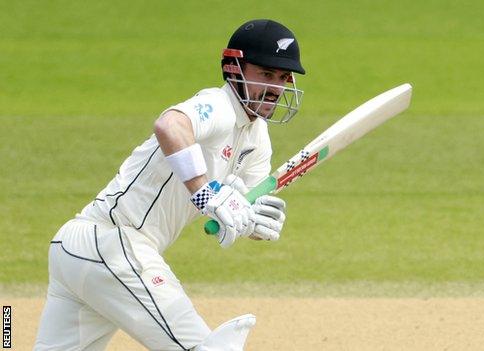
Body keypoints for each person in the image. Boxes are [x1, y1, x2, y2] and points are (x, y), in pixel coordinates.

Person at [34, 18, 305, 351]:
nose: (276, 87)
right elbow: (170, 125)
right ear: (234, 69)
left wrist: (252, 223)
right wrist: (206, 193)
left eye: (283, 78)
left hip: (79, 251)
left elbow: (237, 207)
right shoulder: (219, 106)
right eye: (266, 74)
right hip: (115, 242)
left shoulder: (257, 139)